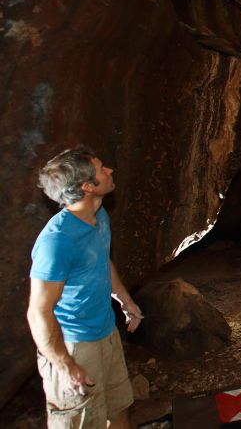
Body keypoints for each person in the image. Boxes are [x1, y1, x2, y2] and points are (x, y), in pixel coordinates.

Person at [27, 146, 144, 429]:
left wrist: (124, 300)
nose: (110, 171)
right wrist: (65, 366)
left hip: (105, 332)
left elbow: (101, 261)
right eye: (102, 170)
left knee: (119, 410)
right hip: (74, 345)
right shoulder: (57, 242)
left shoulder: (98, 216)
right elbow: (38, 313)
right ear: (87, 187)